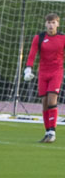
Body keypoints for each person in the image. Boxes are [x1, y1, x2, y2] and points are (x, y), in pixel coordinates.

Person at [23, 13, 65, 143]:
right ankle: (47, 132)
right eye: (49, 22)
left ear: (57, 24)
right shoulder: (39, 38)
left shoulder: (63, 38)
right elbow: (32, 54)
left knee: (52, 100)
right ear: (45, 24)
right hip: (43, 73)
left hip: (56, 72)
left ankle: (53, 132)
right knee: (45, 103)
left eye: (53, 23)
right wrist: (28, 69)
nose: (51, 25)